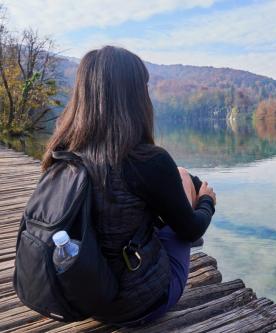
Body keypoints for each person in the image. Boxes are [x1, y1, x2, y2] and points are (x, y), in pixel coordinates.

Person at [40, 46, 216, 326]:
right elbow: (193, 227)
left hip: (86, 299)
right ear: (134, 96)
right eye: (144, 87)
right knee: (186, 207)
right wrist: (206, 201)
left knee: (178, 176)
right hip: (143, 304)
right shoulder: (147, 160)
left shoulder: (61, 154)